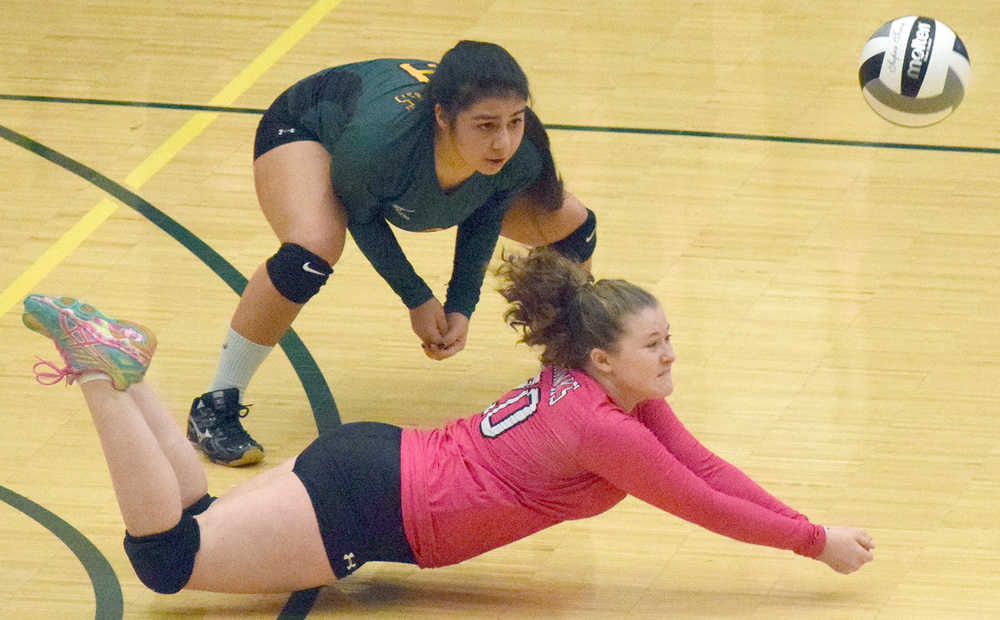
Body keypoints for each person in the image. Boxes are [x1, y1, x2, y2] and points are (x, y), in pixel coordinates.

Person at [21, 249, 874, 597]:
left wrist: (811, 528)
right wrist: (809, 545)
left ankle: (121, 366)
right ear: (604, 358)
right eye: (655, 344)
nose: (670, 355)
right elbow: (698, 503)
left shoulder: (597, 390)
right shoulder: (606, 432)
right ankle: (102, 377)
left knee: (195, 521)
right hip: (376, 503)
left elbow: (710, 468)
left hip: (374, 464)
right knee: (167, 561)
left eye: (669, 339)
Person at [189, 40, 598, 466]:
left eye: (515, 121)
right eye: (485, 126)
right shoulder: (379, 147)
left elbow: (487, 213)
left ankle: (571, 376)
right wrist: (418, 299)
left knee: (572, 226)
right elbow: (363, 217)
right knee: (312, 250)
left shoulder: (521, 150)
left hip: (383, 146)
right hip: (308, 128)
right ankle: (215, 405)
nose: (503, 141)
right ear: (442, 116)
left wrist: (462, 305)